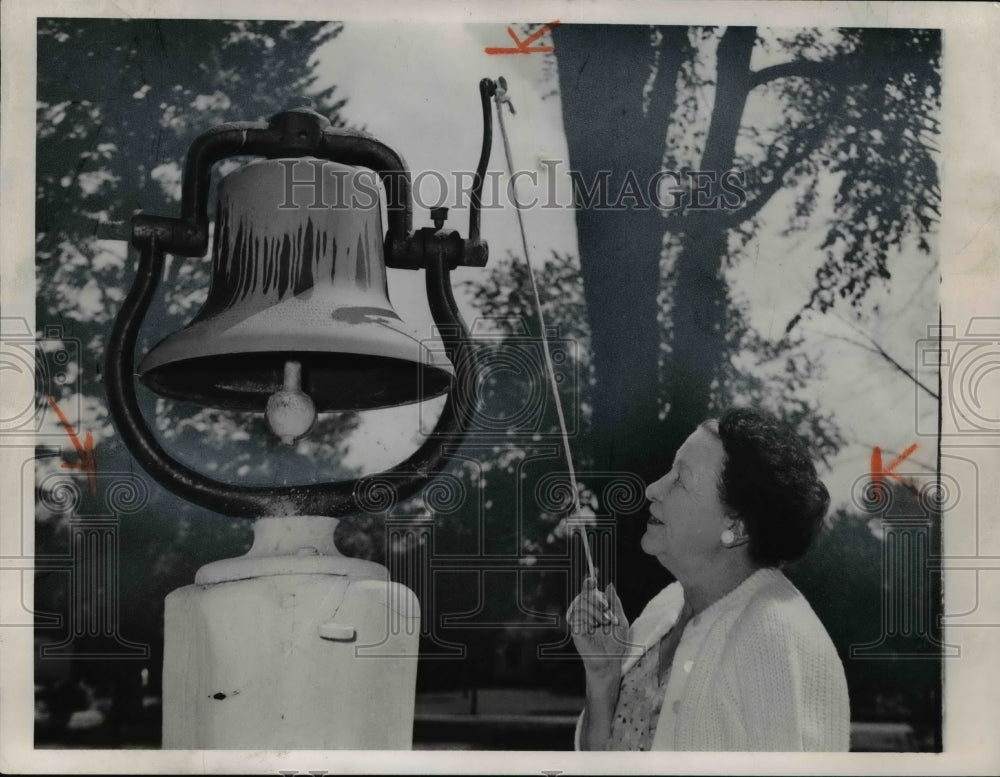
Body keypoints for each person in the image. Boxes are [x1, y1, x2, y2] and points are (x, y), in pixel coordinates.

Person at [568, 406, 849, 751]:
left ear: (735, 525)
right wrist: (604, 677)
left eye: (681, 480)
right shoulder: (665, 608)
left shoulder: (775, 638)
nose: (653, 489)